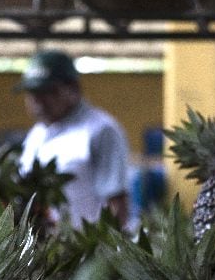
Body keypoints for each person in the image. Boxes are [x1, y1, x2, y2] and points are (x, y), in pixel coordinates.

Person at [16, 49, 131, 228]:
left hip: (86, 251)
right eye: (32, 93)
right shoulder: (36, 135)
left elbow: (117, 204)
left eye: (47, 91)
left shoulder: (100, 130)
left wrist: (105, 250)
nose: (37, 100)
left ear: (74, 89)